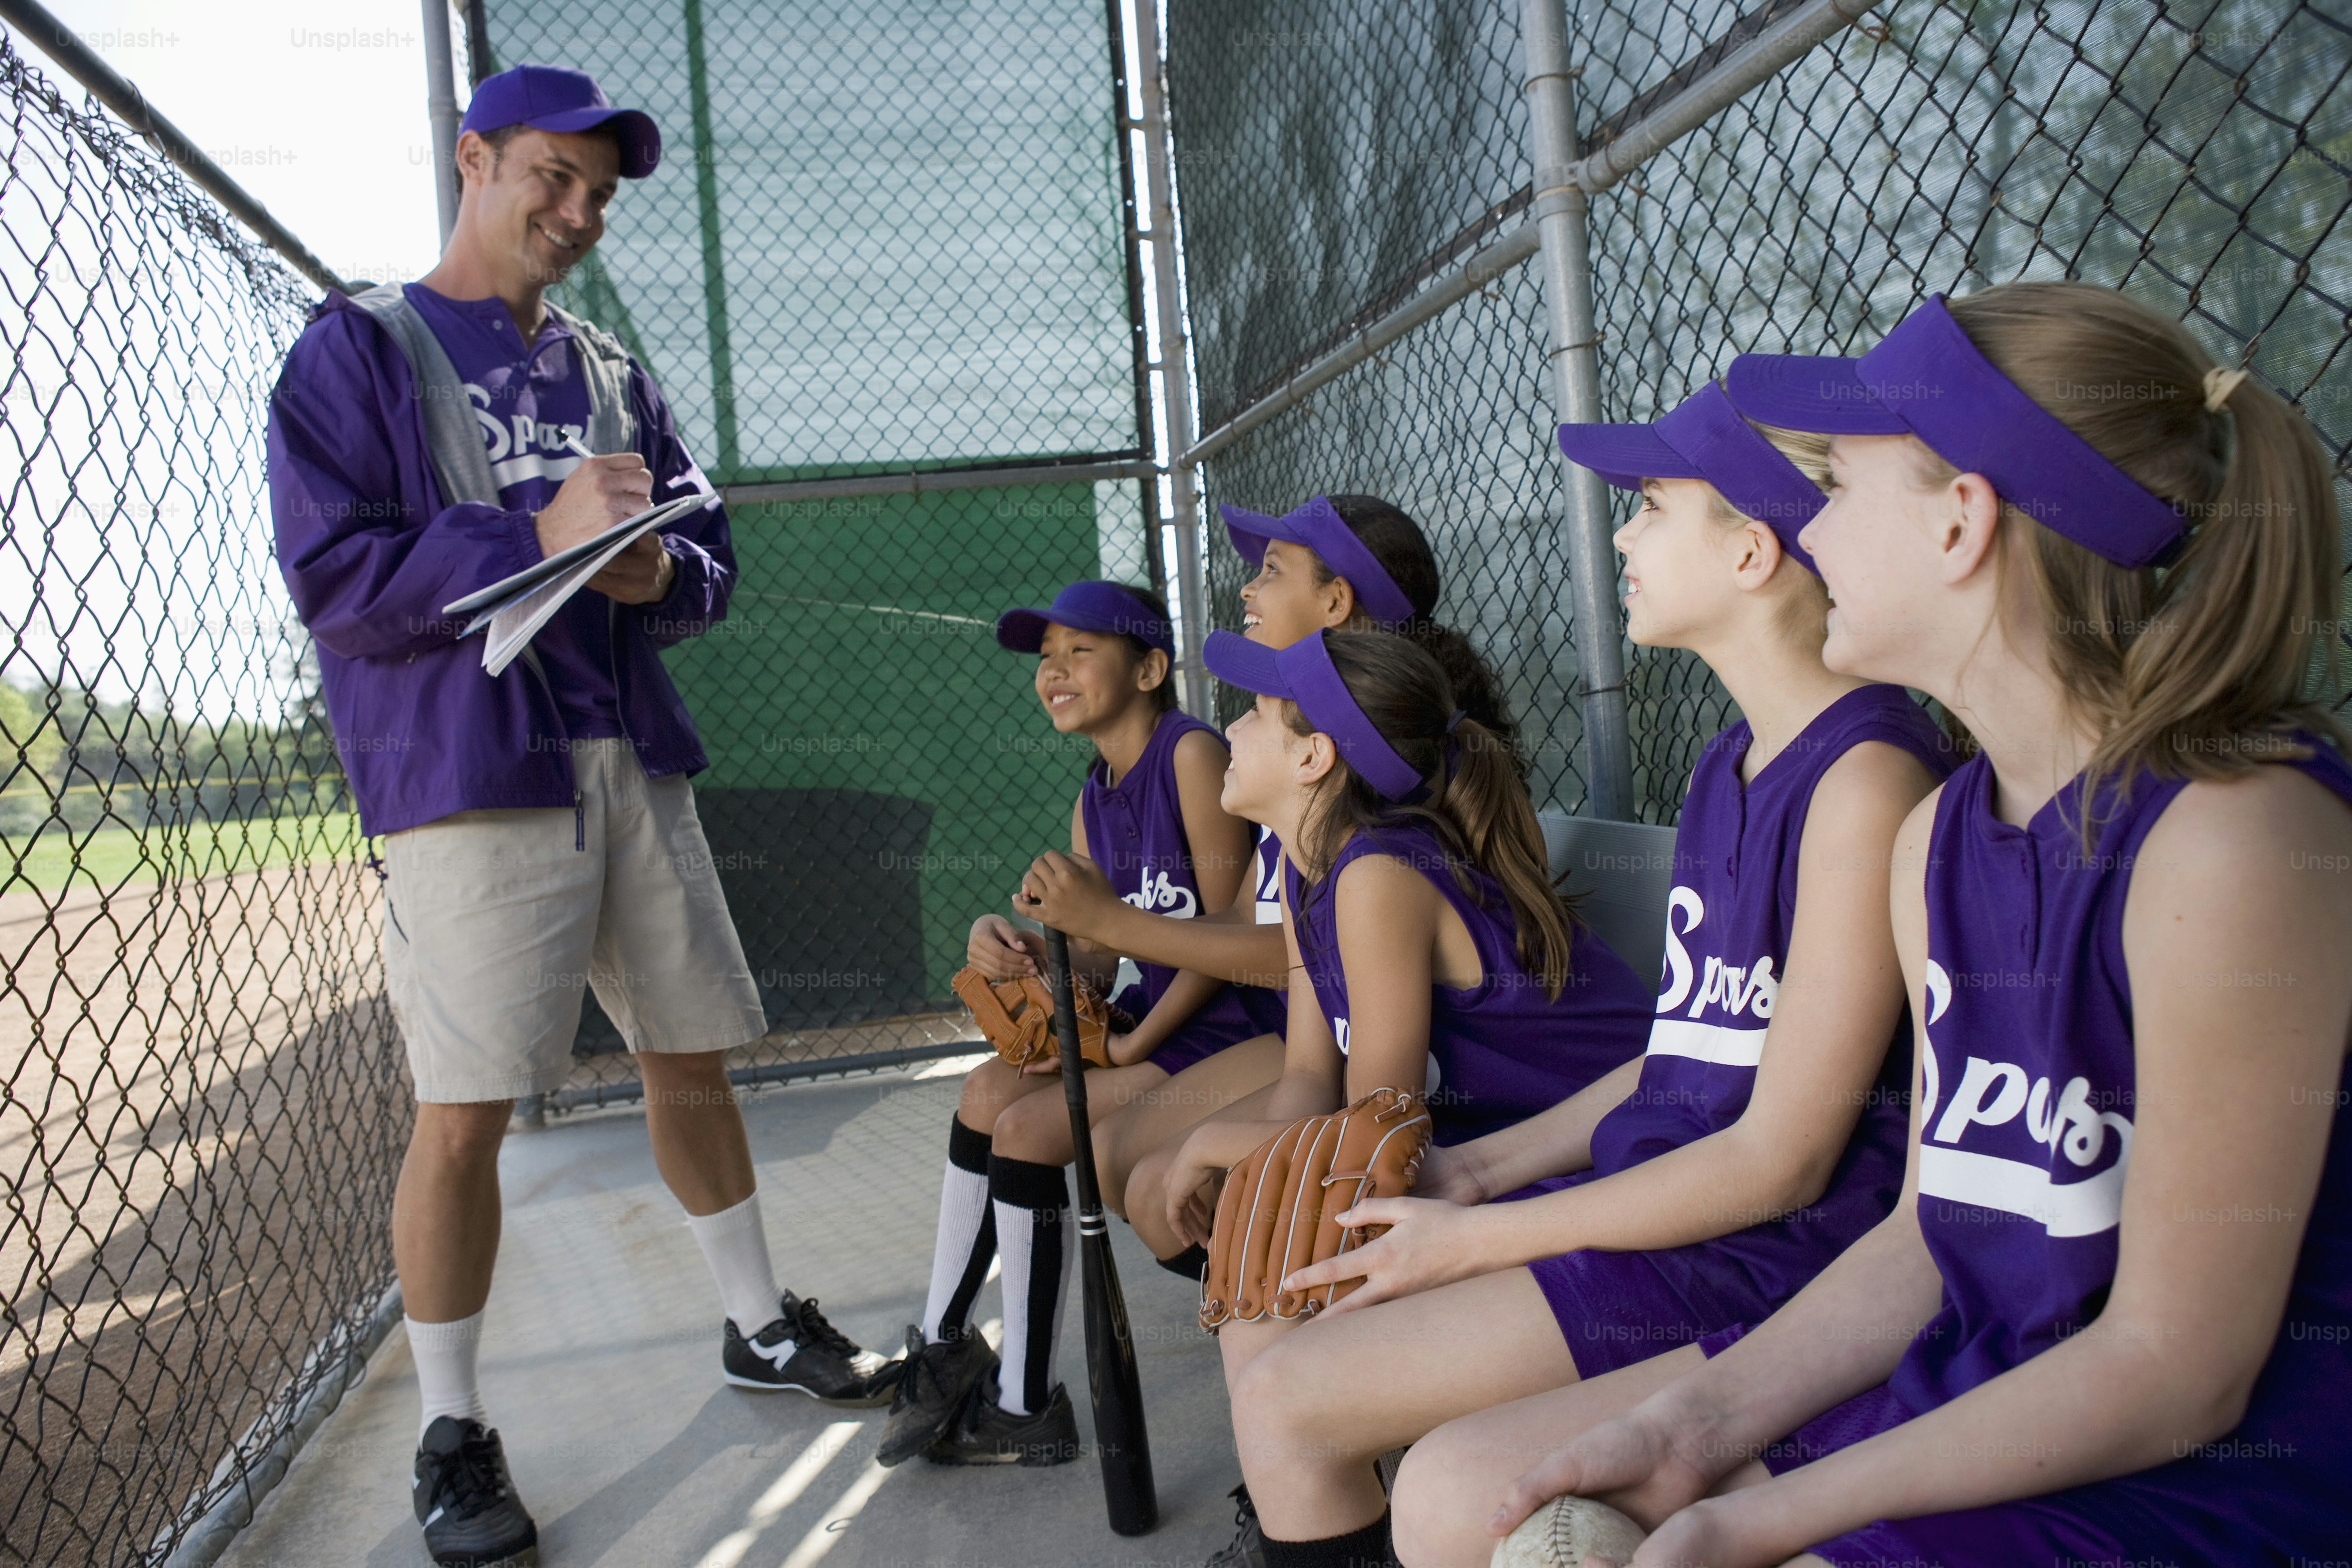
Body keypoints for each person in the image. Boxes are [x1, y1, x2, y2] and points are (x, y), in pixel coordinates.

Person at [1407, 284, 2352, 1567]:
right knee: (1478, 1497)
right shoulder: (1940, 835)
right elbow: (1931, 1228)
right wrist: (1692, 1422)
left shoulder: (2230, 838)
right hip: (1989, 1376)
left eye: (1837, 491)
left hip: (2198, 1476)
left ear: (1964, 521)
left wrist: (1765, 1512)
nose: (1812, 531)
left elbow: (2175, 1372)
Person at [266, 64, 892, 1568]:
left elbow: (707, 548)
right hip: (475, 778)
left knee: (692, 1059)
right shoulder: (361, 349)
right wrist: (530, 534)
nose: (577, 213)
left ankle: (752, 1323)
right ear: (474, 160)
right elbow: (336, 582)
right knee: (466, 1110)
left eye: (599, 195)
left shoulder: (610, 367)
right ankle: (454, 1424)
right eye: (553, 176)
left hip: (629, 755)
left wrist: (658, 574)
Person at [1209, 387, 1953, 1568]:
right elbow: (1682, 1062)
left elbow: (1787, 1160)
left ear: (1754, 553)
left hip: (1765, 1248)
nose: (1619, 537)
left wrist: (1475, 1240)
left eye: (1651, 506)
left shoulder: (1867, 780)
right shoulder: (1729, 759)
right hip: (1665, 1205)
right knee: (1280, 1336)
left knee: (1313, 1405)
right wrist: (1470, 1170)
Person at [1177, 625, 1657, 1568]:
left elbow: (1374, 1131)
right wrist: (1212, 1149)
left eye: (1255, 710)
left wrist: (1204, 1150)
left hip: (1603, 1172)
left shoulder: (1377, 871)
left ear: (1314, 756)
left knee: (1277, 1316)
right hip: (1499, 1172)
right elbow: (1324, 1094)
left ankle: (1317, 1512)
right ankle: (1311, 1520)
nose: (1225, 727)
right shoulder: (1312, 865)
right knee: (1260, 1303)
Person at [1012, 495, 1520, 1278]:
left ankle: (1311, 1336)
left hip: (1472, 1099)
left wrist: (1114, 928)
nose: (1248, 590)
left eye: (1270, 572)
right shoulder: (1310, 792)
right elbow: (1294, 964)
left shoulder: (1382, 803)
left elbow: (1309, 993)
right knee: (1141, 1174)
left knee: (1173, 1185)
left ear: (1336, 602)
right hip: (1367, 1066)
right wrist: (1081, 933)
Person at [878, 580, 1279, 1468]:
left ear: (1149, 666)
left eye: (1080, 650)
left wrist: (1133, 1042)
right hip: (1158, 1017)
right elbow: (1102, 952)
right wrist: (1021, 946)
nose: (1054, 670)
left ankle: (1025, 1398)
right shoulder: (1095, 795)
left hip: (1227, 1024)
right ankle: (945, 1341)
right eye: (1046, 656)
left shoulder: (1191, 755)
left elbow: (1231, 938)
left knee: (1027, 1127)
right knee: (987, 1090)